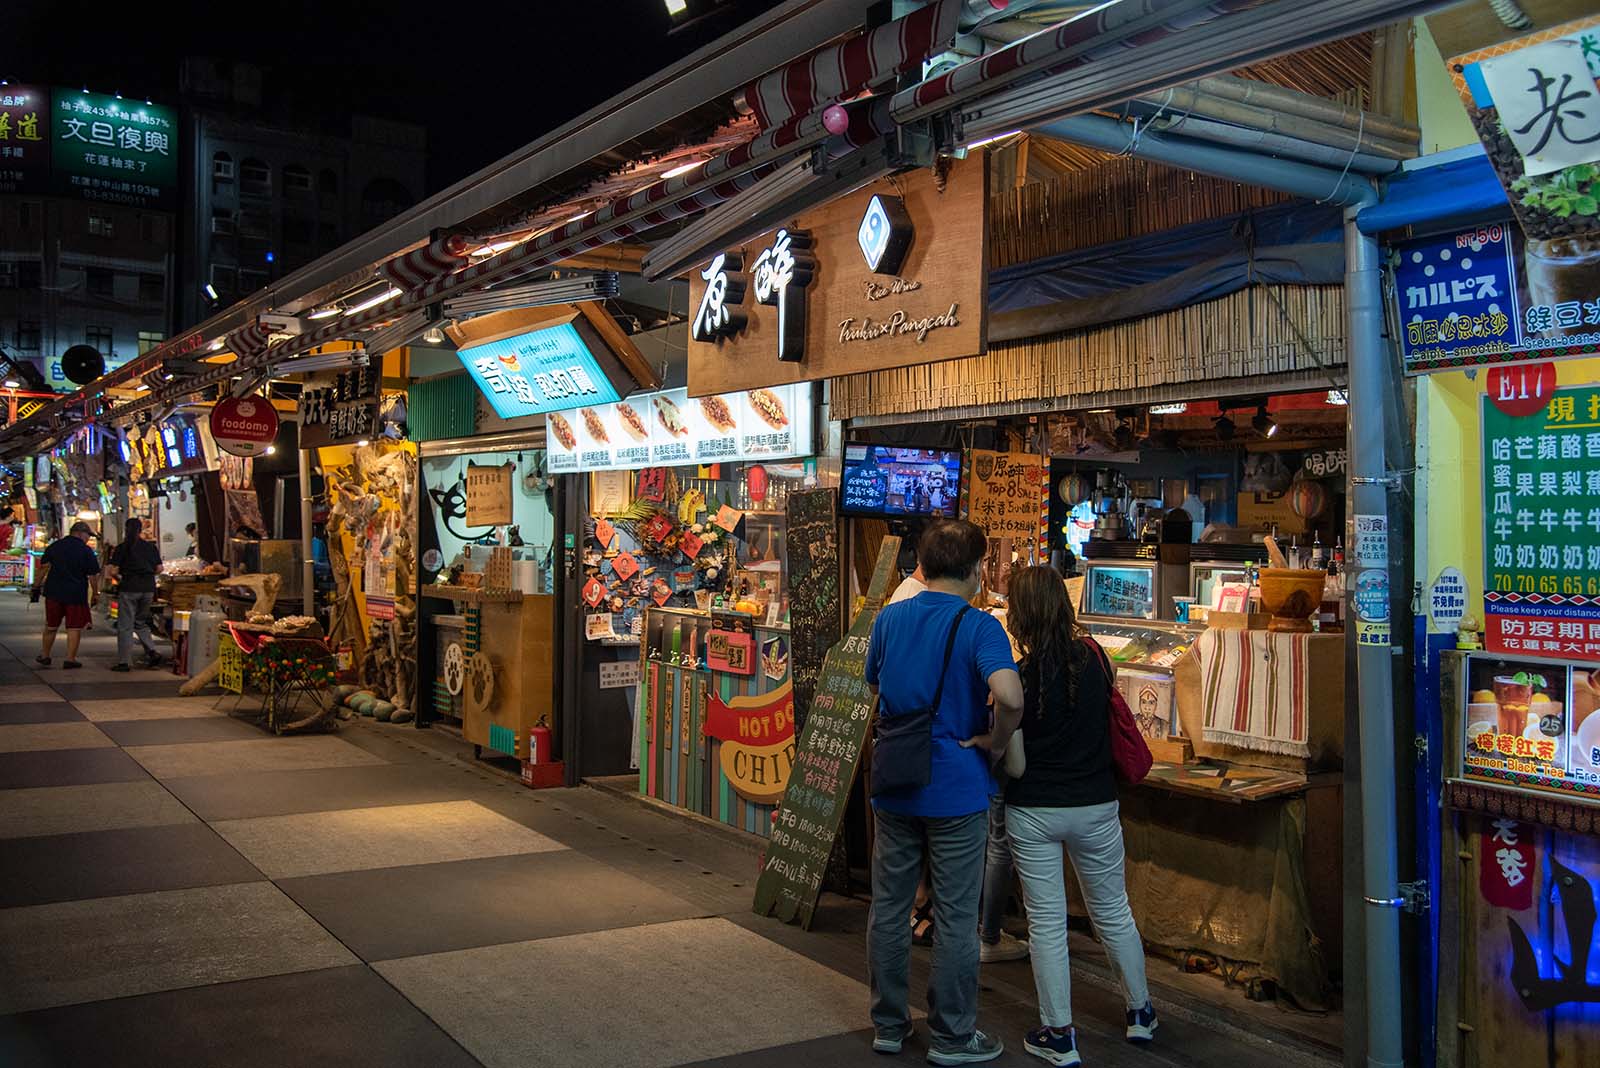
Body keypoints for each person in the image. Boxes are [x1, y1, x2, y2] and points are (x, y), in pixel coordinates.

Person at [865, 519, 1024, 1065]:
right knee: (957, 916)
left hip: (895, 781)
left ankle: (889, 1025)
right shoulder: (981, 627)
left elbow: (876, 686)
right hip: (956, 788)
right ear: (978, 569)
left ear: (924, 567)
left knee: (889, 907)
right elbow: (1010, 695)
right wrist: (993, 742)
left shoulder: (890, 618)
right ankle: (953, 1037)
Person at [1003, 565, 1157, 1066]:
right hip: (1095, 805)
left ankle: (1060, 1034)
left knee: (1046, 922)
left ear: (1021, 616)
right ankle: (1140, 1015)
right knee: (1113, 911)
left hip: (1034, 810)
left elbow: (1018, 762)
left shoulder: (1019, 679)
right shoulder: (1096, 660)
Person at [33, 521, 102, 669]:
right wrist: (95, 593)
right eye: (87, 535)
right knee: (74, 628)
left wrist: (36, 586)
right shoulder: (86, 551)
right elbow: (92, 575)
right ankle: (70, 659)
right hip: (75, 594)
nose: (88, 538)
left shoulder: (55, 546)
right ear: (79, 533)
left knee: (51, 626)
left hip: (54, 593)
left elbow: (44, 568)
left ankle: (45, 655)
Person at [107, 517, 164, 671]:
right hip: (148, 589)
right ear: (140, 530)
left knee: (125, 626)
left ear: (126, 530)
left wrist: (119, 578)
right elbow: (159, 569)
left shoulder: (122, 548)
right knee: (141, 622)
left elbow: (113, 571)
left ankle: (124, 662)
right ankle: (152, 651)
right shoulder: (150, 547)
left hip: (129, 588)